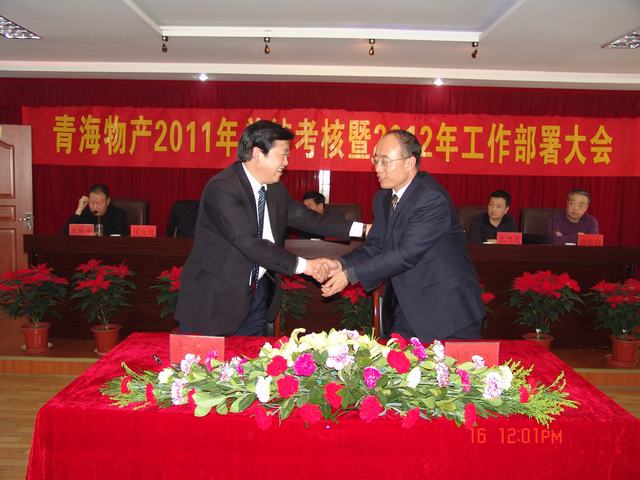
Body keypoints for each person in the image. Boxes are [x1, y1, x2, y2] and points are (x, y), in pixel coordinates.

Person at [176, 120, 367, 336]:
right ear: (258, 153)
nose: (286, 162)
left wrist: (363, 230)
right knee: (208, 361)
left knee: (251, 358)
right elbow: (249, 243)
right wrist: (307, 266)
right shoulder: (223, 188)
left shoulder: (275, 189)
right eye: (283, 155)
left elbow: (310, 219)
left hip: (256, 298)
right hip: (214, 303)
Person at [320, 130, 485, 342]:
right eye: (375, 160)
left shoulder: (431, 199)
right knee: (395, 359)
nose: (378, 168)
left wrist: (351, 275)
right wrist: (341, 264)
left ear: (409, 162)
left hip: (446, 311)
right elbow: (376, 244)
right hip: (408, 307)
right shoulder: (383, 197)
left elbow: (405, 254)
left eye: (385, 161)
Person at [63, 184, 128, 236]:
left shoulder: (119, 214)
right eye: (92, 203)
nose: (95, 207)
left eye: (99, 203)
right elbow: (65, 233)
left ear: (108, 201)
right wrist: (79, 210)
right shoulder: (84, 212)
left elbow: (120, 237)